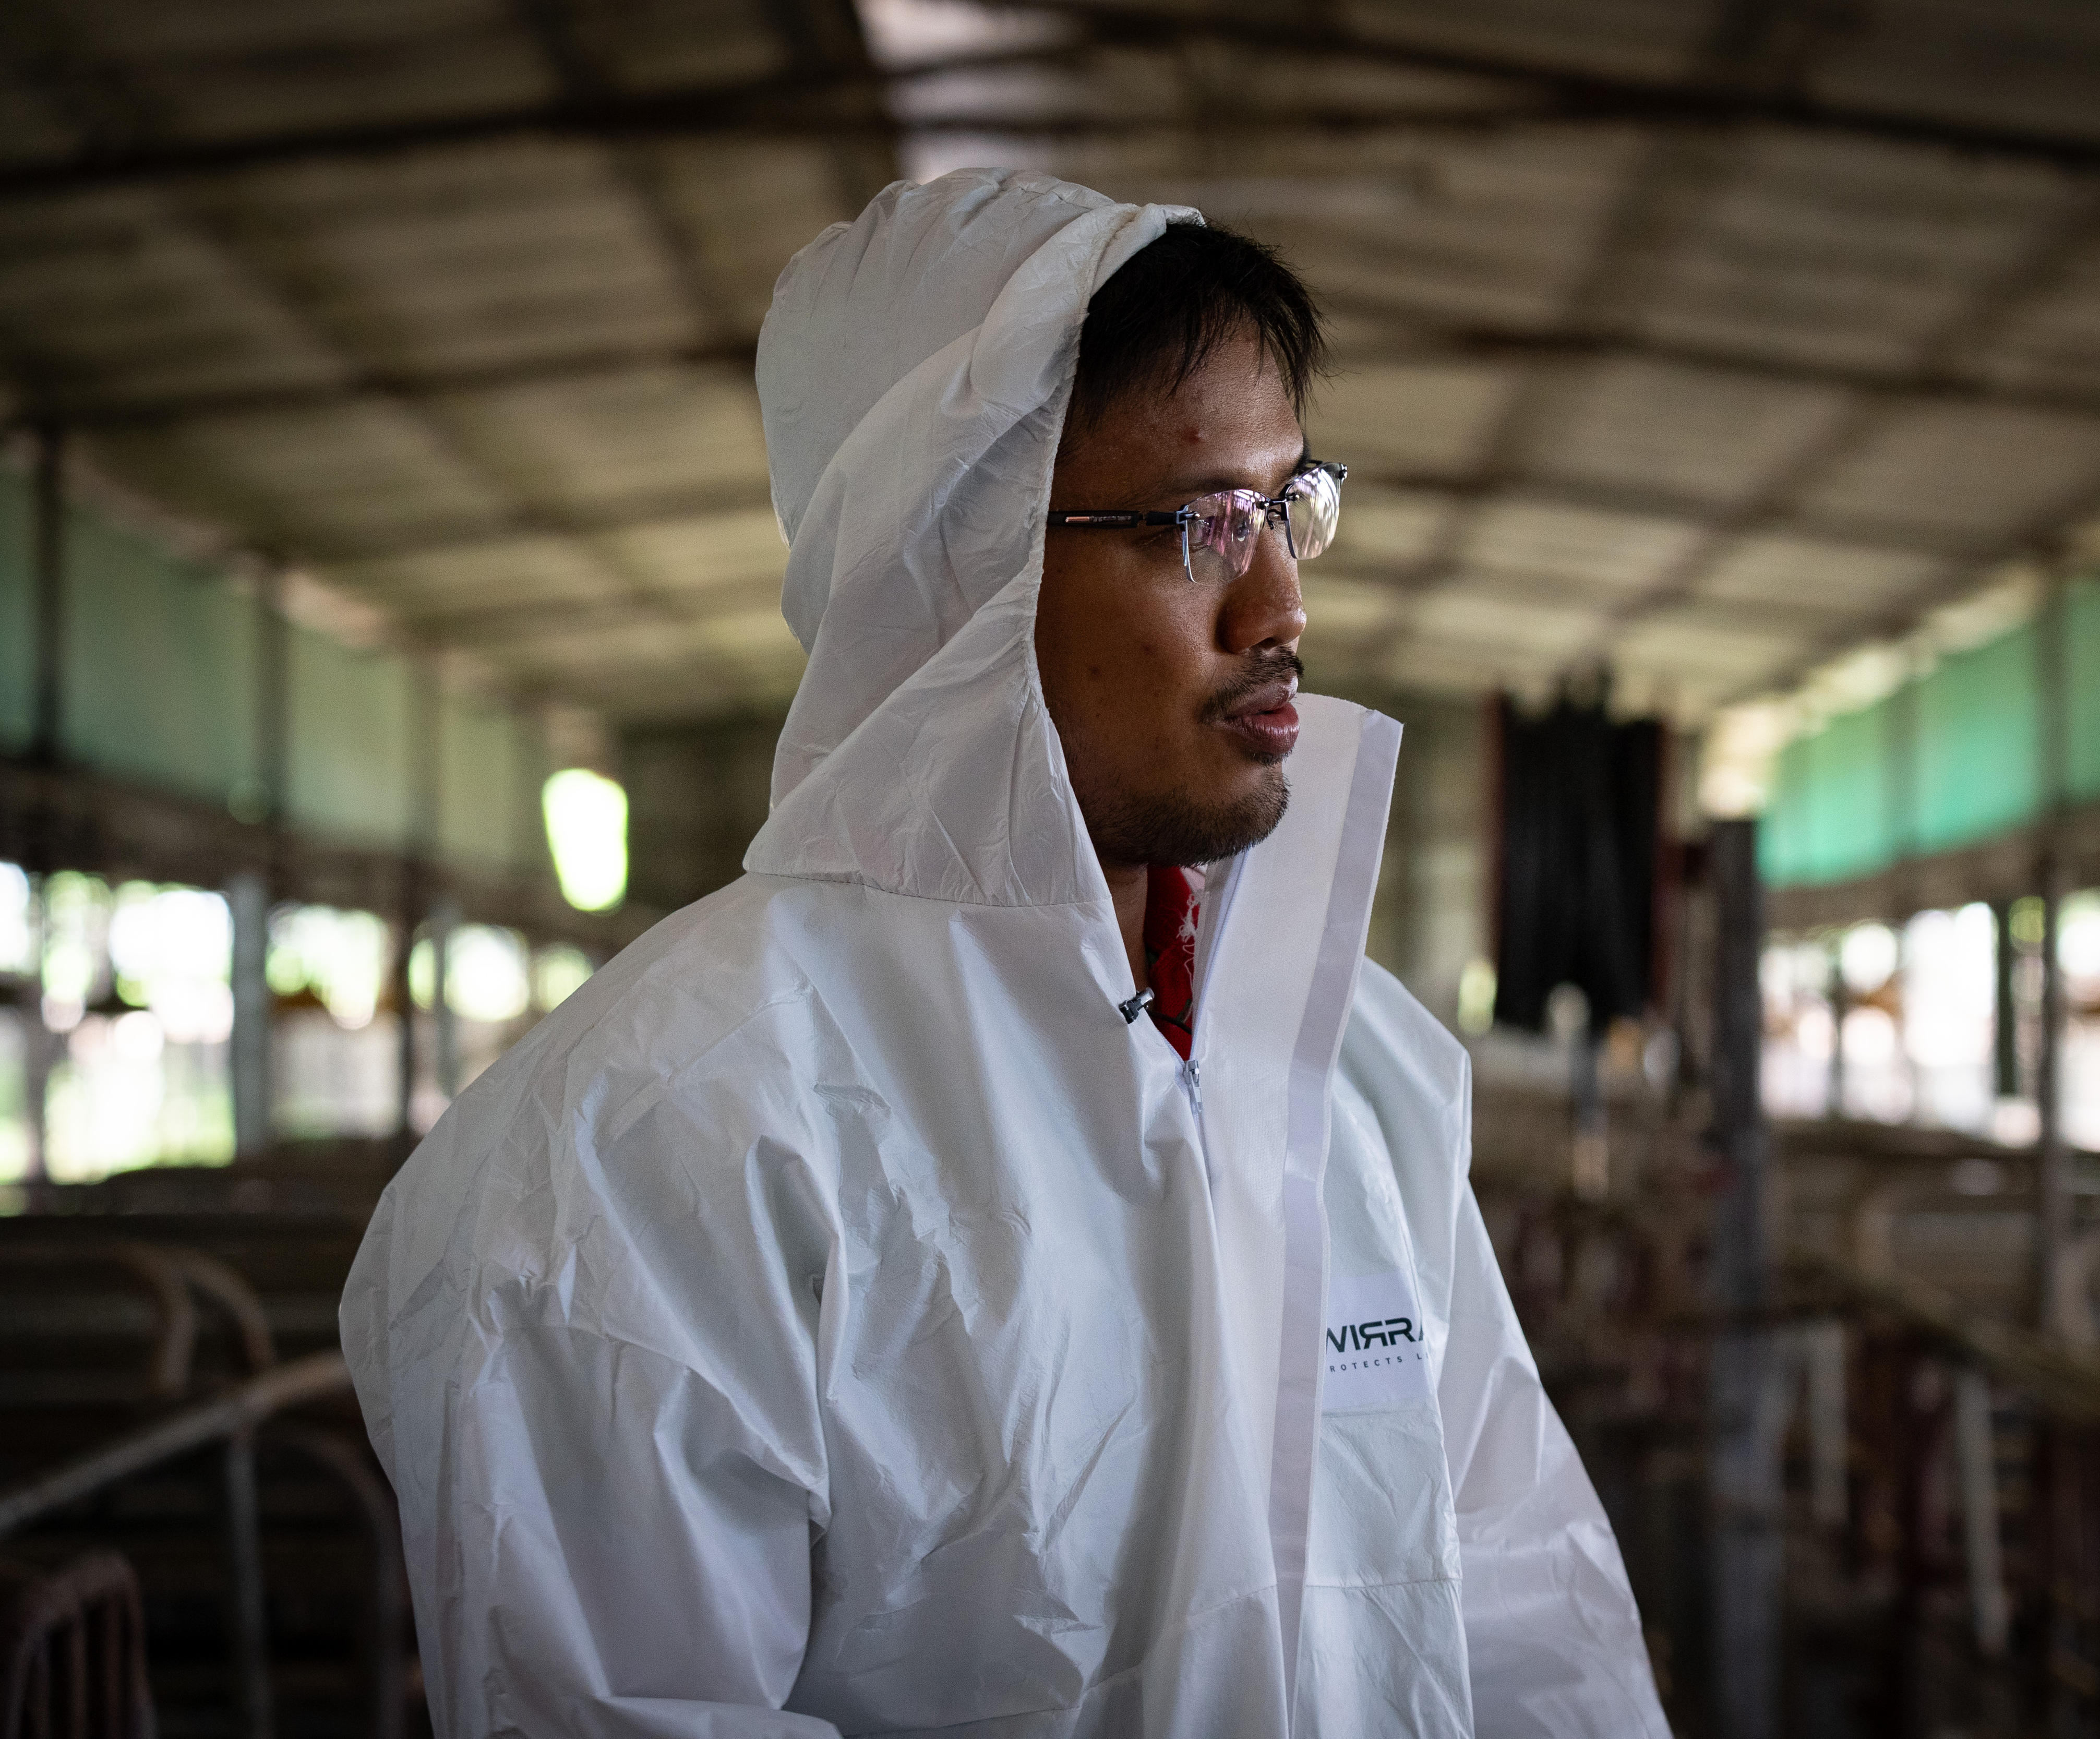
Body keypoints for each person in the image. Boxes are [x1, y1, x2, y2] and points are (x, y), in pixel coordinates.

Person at [341, 168, 1669, 1739]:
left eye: (1292, 505)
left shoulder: (1355, 1067)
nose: (1283, 603)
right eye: (1201, 524)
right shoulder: (652, 1145)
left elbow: (1526, 1608)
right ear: (954, 567)